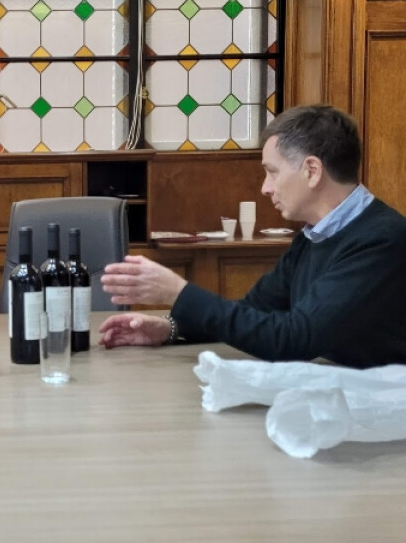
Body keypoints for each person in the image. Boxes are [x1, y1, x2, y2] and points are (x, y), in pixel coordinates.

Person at [98, 105, 406, 368]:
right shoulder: (313, 236)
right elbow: (256, 311)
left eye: (272, 172)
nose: (265, 188)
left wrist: (179, 293)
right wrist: (170, 328)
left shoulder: (382, 240)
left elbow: (294, 339)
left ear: (312, 170)